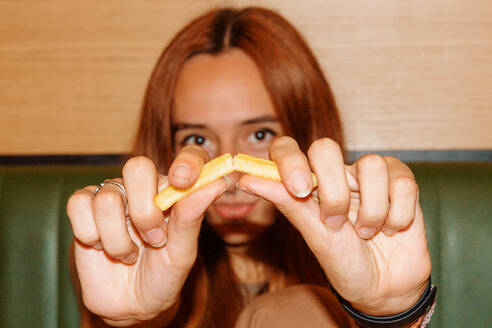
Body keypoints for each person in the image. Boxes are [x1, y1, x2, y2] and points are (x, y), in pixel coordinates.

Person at [67, 7, 435, 328]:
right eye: (197, 139)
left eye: (260, 133)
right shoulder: (115, 251)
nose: (229, 174)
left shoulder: (364, 248)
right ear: (165, 144)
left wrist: (391, 314)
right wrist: (138, 322)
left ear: (305, 130)